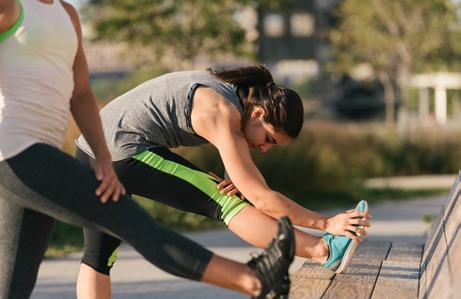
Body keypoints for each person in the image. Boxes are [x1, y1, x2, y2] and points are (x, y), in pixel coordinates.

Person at [0, 1, 296, 299]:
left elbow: (82, 95)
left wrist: (103, 157)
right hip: (16, 150)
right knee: (132, 223)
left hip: (36, 151)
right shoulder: (10, 6)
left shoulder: (67, 14)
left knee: (13, 284)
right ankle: (254, 280)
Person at [74, 65, 372, 299]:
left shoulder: (232, 96)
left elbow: (248, 174)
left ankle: (324, 249)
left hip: (86, 150)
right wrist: (325, 223)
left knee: (99, 255)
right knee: (226, 202)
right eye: (268, 139)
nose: (266, 149)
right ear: (257, 113)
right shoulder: (222, 112)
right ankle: (325, 251)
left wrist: (240, 180)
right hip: (121, 152)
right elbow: (262, 198)